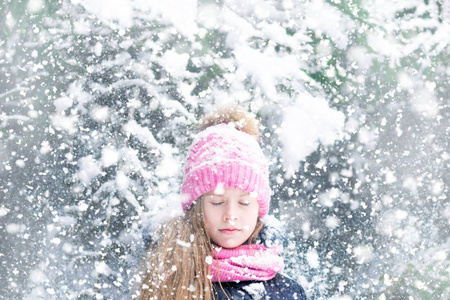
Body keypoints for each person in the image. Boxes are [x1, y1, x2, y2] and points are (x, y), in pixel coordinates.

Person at [134, 105, 307, 300]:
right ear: (196, 208)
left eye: (244, 203)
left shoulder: (286, 292)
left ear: (259, 208)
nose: (231, 214)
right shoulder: (169, 277)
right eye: (217, 202)